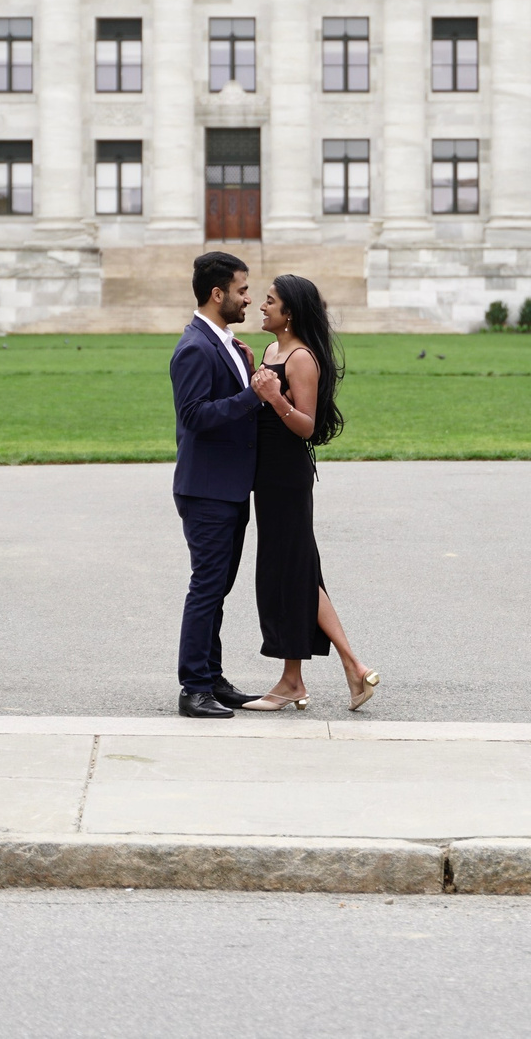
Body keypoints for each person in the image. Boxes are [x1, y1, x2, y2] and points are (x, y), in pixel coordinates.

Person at [239, 274, 379, 712]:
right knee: (296, 571)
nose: (262, 307)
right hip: (268, 474)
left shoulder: (301, 358)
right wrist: (252, 370)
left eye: (270, 301)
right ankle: (334, 672)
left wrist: (276, 397)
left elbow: (307, 425)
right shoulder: (270, 350)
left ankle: (306, 678)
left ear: (290, 313)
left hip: (287, 475)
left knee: (291, 572)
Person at [167, 251, 265, 719]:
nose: (248, 298)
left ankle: (212, 676)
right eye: (243, 290)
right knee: (206, 587)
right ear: (217, 293)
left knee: (218, 589)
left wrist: (247, 373)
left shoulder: (224, 342)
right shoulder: (193, 347)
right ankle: (193, 688)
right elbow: (194, 416)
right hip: (206, 489)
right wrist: (252, 396)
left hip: (228, 487)